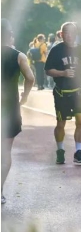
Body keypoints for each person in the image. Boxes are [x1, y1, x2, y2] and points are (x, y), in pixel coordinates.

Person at [45, 22, 81, 166]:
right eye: (66, 33)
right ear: (61, 34)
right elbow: (48, 70)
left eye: (72, 33)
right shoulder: (56, 50)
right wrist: (63, 73)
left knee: (80, 121)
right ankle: (60, 150)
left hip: (78, 92)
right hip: (62, 92)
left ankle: (78, 152)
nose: (69, 36)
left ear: (76, 34)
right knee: (61, 123)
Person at [1, 19, 35, 204]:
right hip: (9, 108)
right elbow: (30, 78)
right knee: (5, 153)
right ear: (10, 34)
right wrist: (25, 96)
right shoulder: (19, 56)